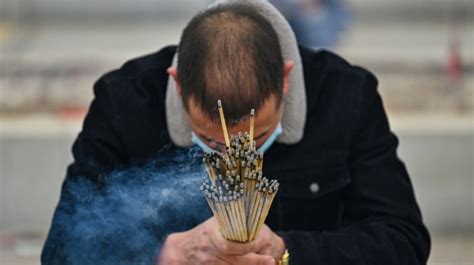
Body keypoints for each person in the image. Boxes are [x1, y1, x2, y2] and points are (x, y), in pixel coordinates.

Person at [42, 1, 430, 265]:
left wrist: (286, 251)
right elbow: (62, 249)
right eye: (212, 140)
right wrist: (164, 253)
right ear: (178, 84)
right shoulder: (123, 101)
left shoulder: (347, 95)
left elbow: (403, 240)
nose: (235, 156)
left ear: (285, 80)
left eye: (257, 137)